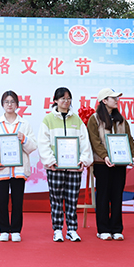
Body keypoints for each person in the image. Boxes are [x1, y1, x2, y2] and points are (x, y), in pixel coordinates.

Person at [37, 87, 93, 242]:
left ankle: (72, 230)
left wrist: (83, 160)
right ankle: (57, 229)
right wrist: (50, 161)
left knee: (72, 199)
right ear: (55, 100)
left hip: (74, 167)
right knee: (56, 199)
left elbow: (84, 142)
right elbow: (43, 143)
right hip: (55, 167)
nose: (66, 101)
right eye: (62, 98)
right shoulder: (48, 120)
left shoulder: (77, 120)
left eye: (68, 99)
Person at [0, 91, 37, 242]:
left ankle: (15, 230)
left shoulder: (24, 124)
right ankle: (3, 230)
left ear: (17, 105)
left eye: (12, 102)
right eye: (6, 102)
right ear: (2, 104)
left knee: (17, 201)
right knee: (1, 201)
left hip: (19, 170)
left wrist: (24, 139)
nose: (9, 104)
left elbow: (32, 146)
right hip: (1, 169)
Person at [87, 88, 134, 241]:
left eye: (116, 98)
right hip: (102, 163)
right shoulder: (94, 119)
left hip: (120, 163)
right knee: (103, 195)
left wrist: (132, 155)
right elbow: (95, 141)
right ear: (104, 101)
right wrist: (105, 155)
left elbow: (129, 139)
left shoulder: (121, 120)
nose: (116, 100)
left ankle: (116, 228)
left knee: (117, 195)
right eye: (113, 98)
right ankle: (103, 229)